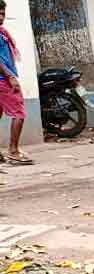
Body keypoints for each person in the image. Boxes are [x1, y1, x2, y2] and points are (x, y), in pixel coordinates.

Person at [0, 0, 31, 164]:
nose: (1, 17)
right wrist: (10, 77)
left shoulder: (2, 32)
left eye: (3, 13)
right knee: (19, 112)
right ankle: (13, 151)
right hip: (3, 80)